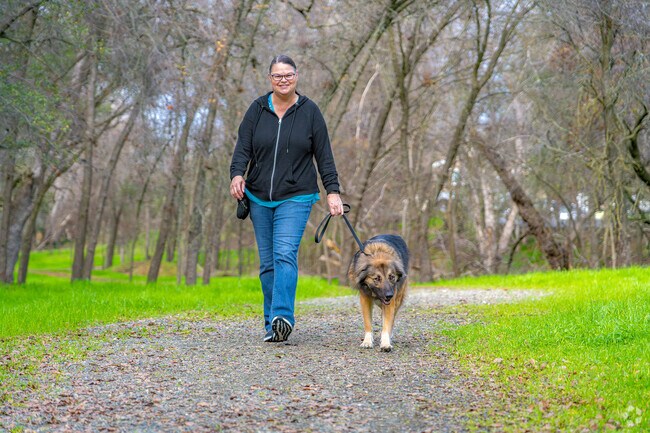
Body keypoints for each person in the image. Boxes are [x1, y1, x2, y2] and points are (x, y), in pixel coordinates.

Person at [229, 54, 344, 343]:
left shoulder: (310, 112)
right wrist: (237, 175)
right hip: (258, 197)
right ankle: (272, 326)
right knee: (267, 263)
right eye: (278, 76)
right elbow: (242, 148)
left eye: (288, 75)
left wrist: (333, 191)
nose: (283, 80)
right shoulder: (256, 110)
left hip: (297, 196)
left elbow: (325, 157)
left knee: (284, 254)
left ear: (297, 76)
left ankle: (283, 316)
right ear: (270, 79)